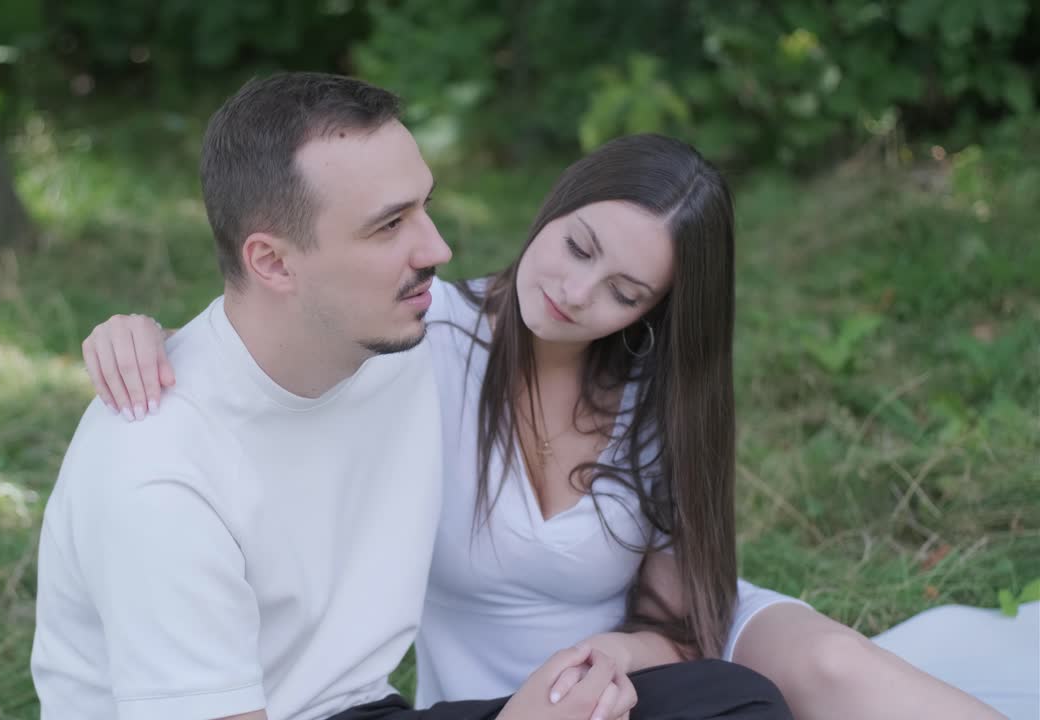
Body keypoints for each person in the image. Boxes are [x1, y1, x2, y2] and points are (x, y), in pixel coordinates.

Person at [83, 129, 1006, 720]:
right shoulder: (425, 333)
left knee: (837, 670)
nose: (575, 294)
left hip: (659, 648)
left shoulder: (657, 394)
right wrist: (148, 334)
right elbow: (281, 326)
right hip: (519, 697)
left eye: (624, 292)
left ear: (654, 312)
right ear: (557, 206)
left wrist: (630, 649)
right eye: (579, 247)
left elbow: (683, 619)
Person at [32, 72, 792, 720]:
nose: (437, 250)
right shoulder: (158, 476)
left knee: (729, 702)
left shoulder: (394, 344)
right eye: (390, 225)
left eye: (423, 207)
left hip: (355, 708)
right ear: (272, 261)